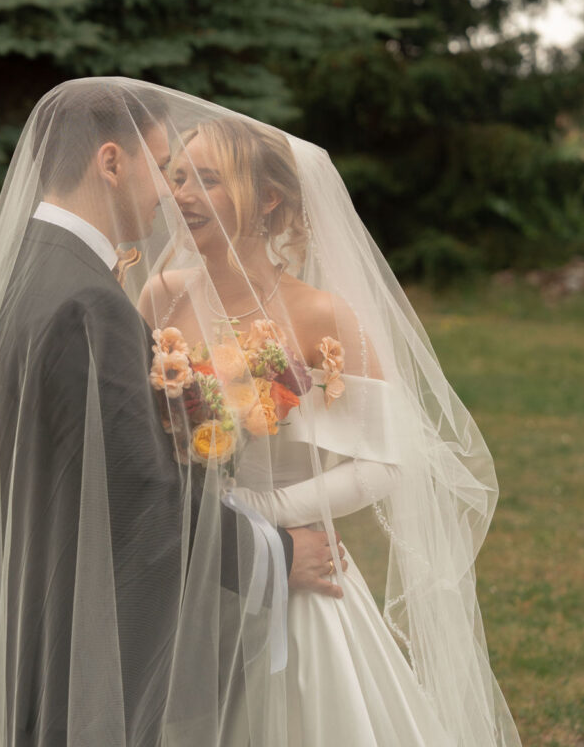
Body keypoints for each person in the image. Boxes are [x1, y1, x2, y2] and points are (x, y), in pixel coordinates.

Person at [0, 79, 348, 747]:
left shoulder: (34, 265)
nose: (169, 191)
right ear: (109, 163)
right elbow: (140, 492)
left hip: (45, 584)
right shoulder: (90, 301)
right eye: (160, 167)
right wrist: (275, 553)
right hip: (93, 614)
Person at [133, 101, 524, 747]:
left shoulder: (321, 315)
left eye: (206, 179)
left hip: (299, 574)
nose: (181, 195)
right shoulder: (161, 296)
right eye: (176, 177)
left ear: (268, 199)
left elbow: (389, 460)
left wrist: (273, 509)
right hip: (195, 567)